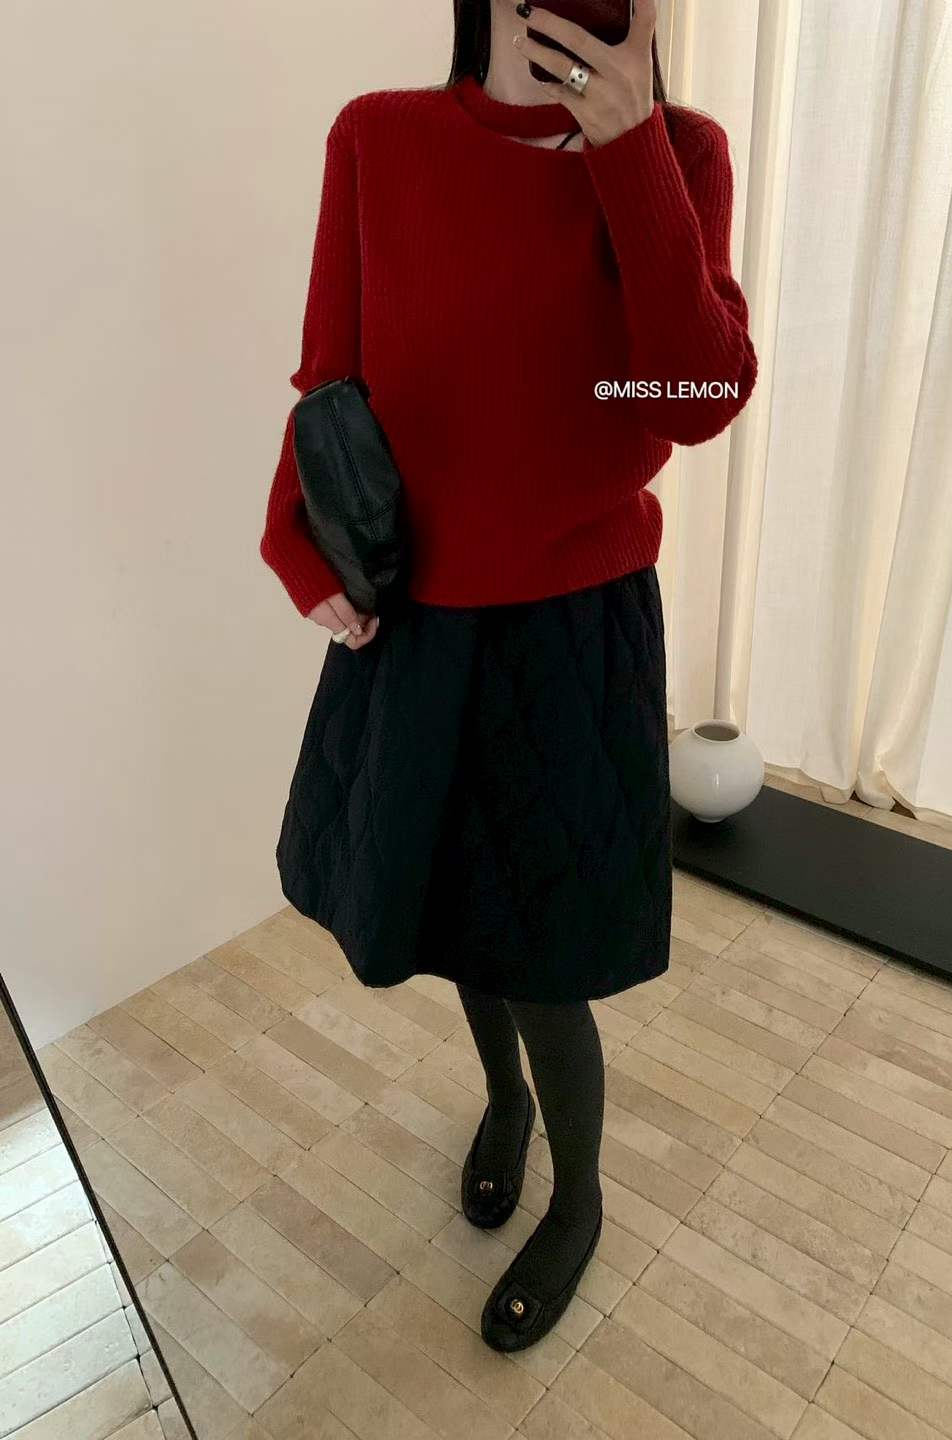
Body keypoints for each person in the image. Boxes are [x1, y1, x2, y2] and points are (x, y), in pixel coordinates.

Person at [258, 0, 756, 1352]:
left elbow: (690, 399)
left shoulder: (684, 155)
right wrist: (295, 539)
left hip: (575, 628)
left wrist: (630, 154)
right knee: (451, 915)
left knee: (547, 957)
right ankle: (506, 1105)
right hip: (419, 615)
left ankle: (579, 1198)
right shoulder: (378, 140)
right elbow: (332, 377)